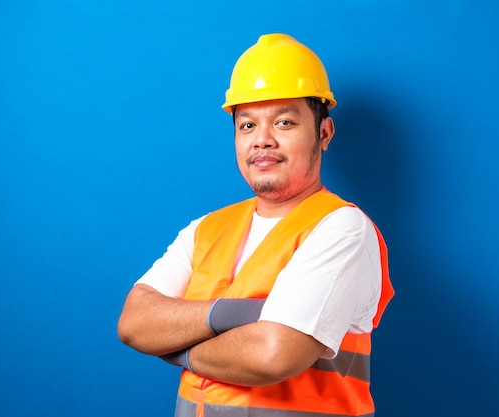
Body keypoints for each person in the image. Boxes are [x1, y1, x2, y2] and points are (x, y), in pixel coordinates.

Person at [117, 33, 395, 417]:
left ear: (324, 133)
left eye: (283, 122)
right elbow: (134, 322)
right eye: (247, 125)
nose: (262, 140)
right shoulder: (206, 229)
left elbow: (272, 355)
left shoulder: (341, 229)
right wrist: (236, 315)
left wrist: (174, 346)